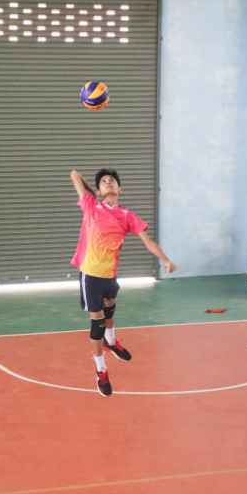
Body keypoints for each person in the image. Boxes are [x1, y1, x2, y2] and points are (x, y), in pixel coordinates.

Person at [70, 168, 176, 396]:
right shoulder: (91, 206)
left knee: (110, 308)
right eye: (104, 181)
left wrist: (165, 259)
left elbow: (148, 242)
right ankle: (101, 371)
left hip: (110, 275)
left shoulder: (127, 216)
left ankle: (111, 341)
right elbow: (74, 174)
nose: (109, 182)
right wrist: (92, 192)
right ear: (99, 190)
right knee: (97, 323)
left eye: (112, 181)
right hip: (90, 275)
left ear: (121, 189)